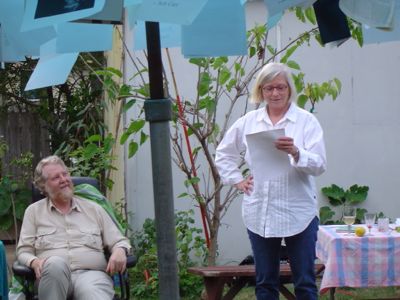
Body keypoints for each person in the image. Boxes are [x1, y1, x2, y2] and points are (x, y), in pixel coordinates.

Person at [215, 62, 327, 300]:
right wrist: (237, 180)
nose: (275, 93)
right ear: (261, 91)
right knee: (265, 282)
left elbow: (319, 165)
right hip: (261, 211)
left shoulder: (306, 121)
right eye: (269, 88)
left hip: (299, 211)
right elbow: (224, 154)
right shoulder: (249, 121)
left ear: (289, 89)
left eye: (280, 87)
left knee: (305, 282)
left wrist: (297, 152)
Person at [17, 155, 131, 300]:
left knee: (93, 293)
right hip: (53, 279)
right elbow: (23, 251)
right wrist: (34, 262)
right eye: (56, 177)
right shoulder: (33, 212)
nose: (64, 179)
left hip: (92, 276)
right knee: (55, 263)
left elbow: (119, 241)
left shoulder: (94, 209)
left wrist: (120, 250)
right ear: (43, 186)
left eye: (65, 174)